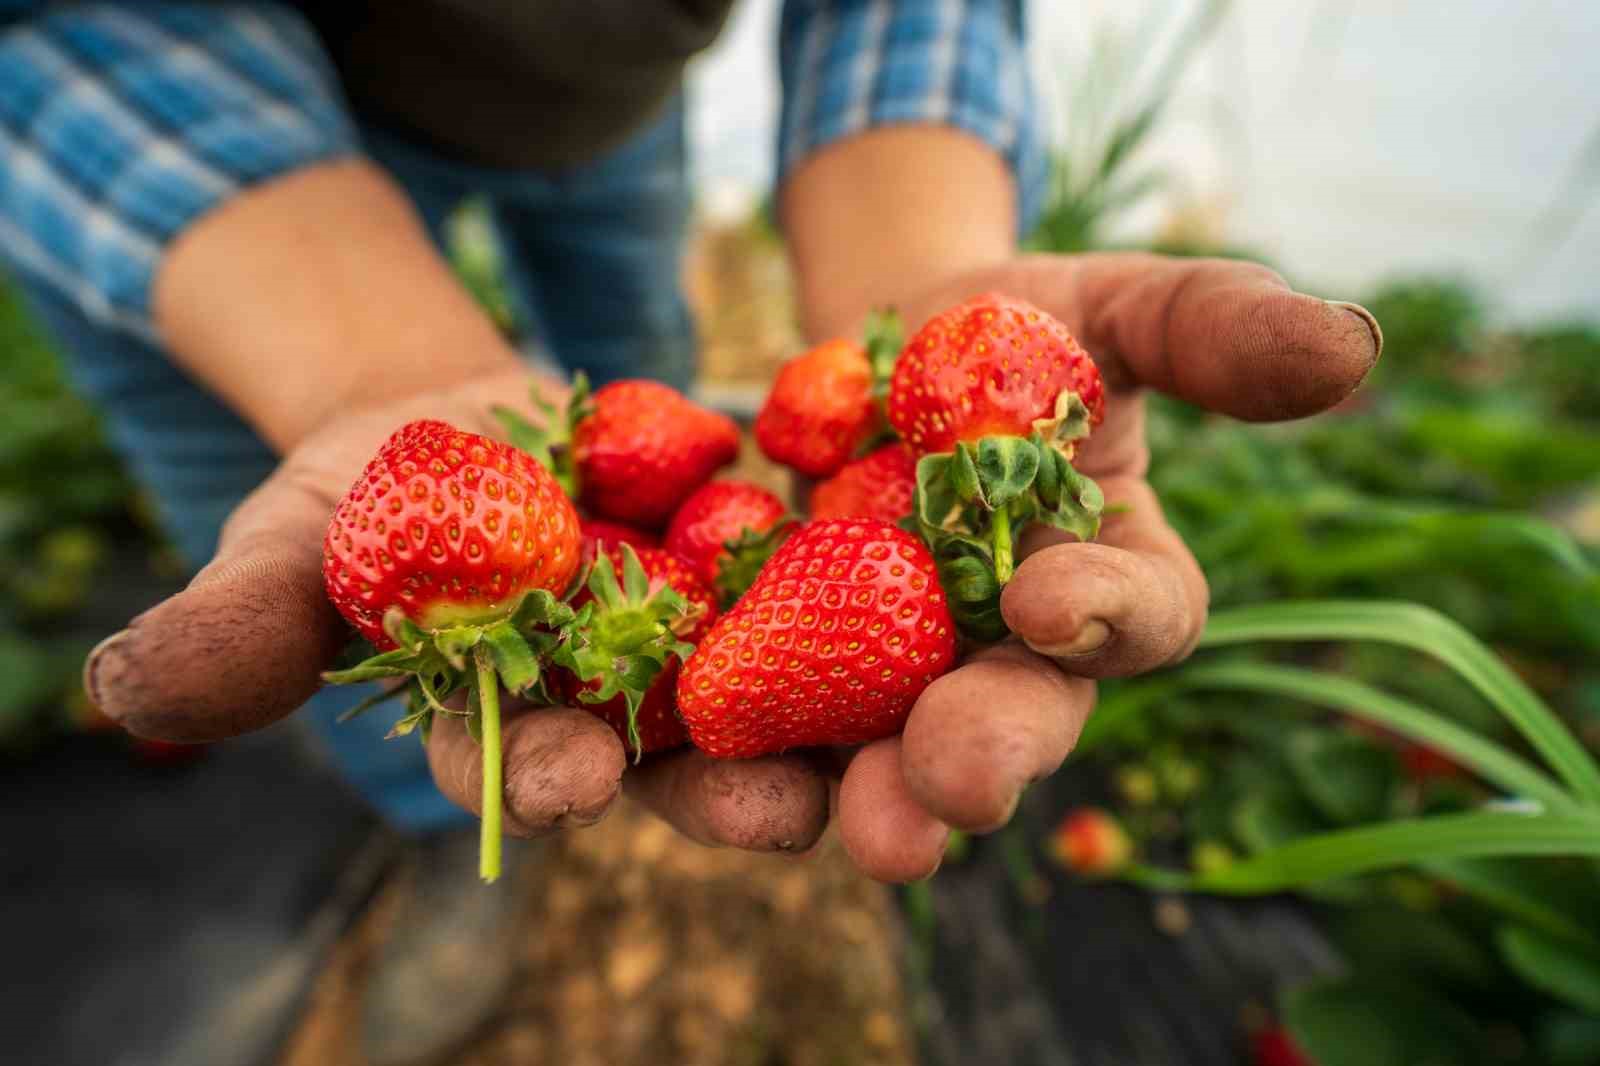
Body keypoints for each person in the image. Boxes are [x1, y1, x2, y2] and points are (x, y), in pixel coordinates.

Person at [0, 2, 1382, 1063]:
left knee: (637, 360)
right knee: (303, 566)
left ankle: (490, 780)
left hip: (607, 109)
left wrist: (915, 277)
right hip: (193, 136)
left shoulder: (867, 490)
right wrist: (366, 367)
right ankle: (450, 833)